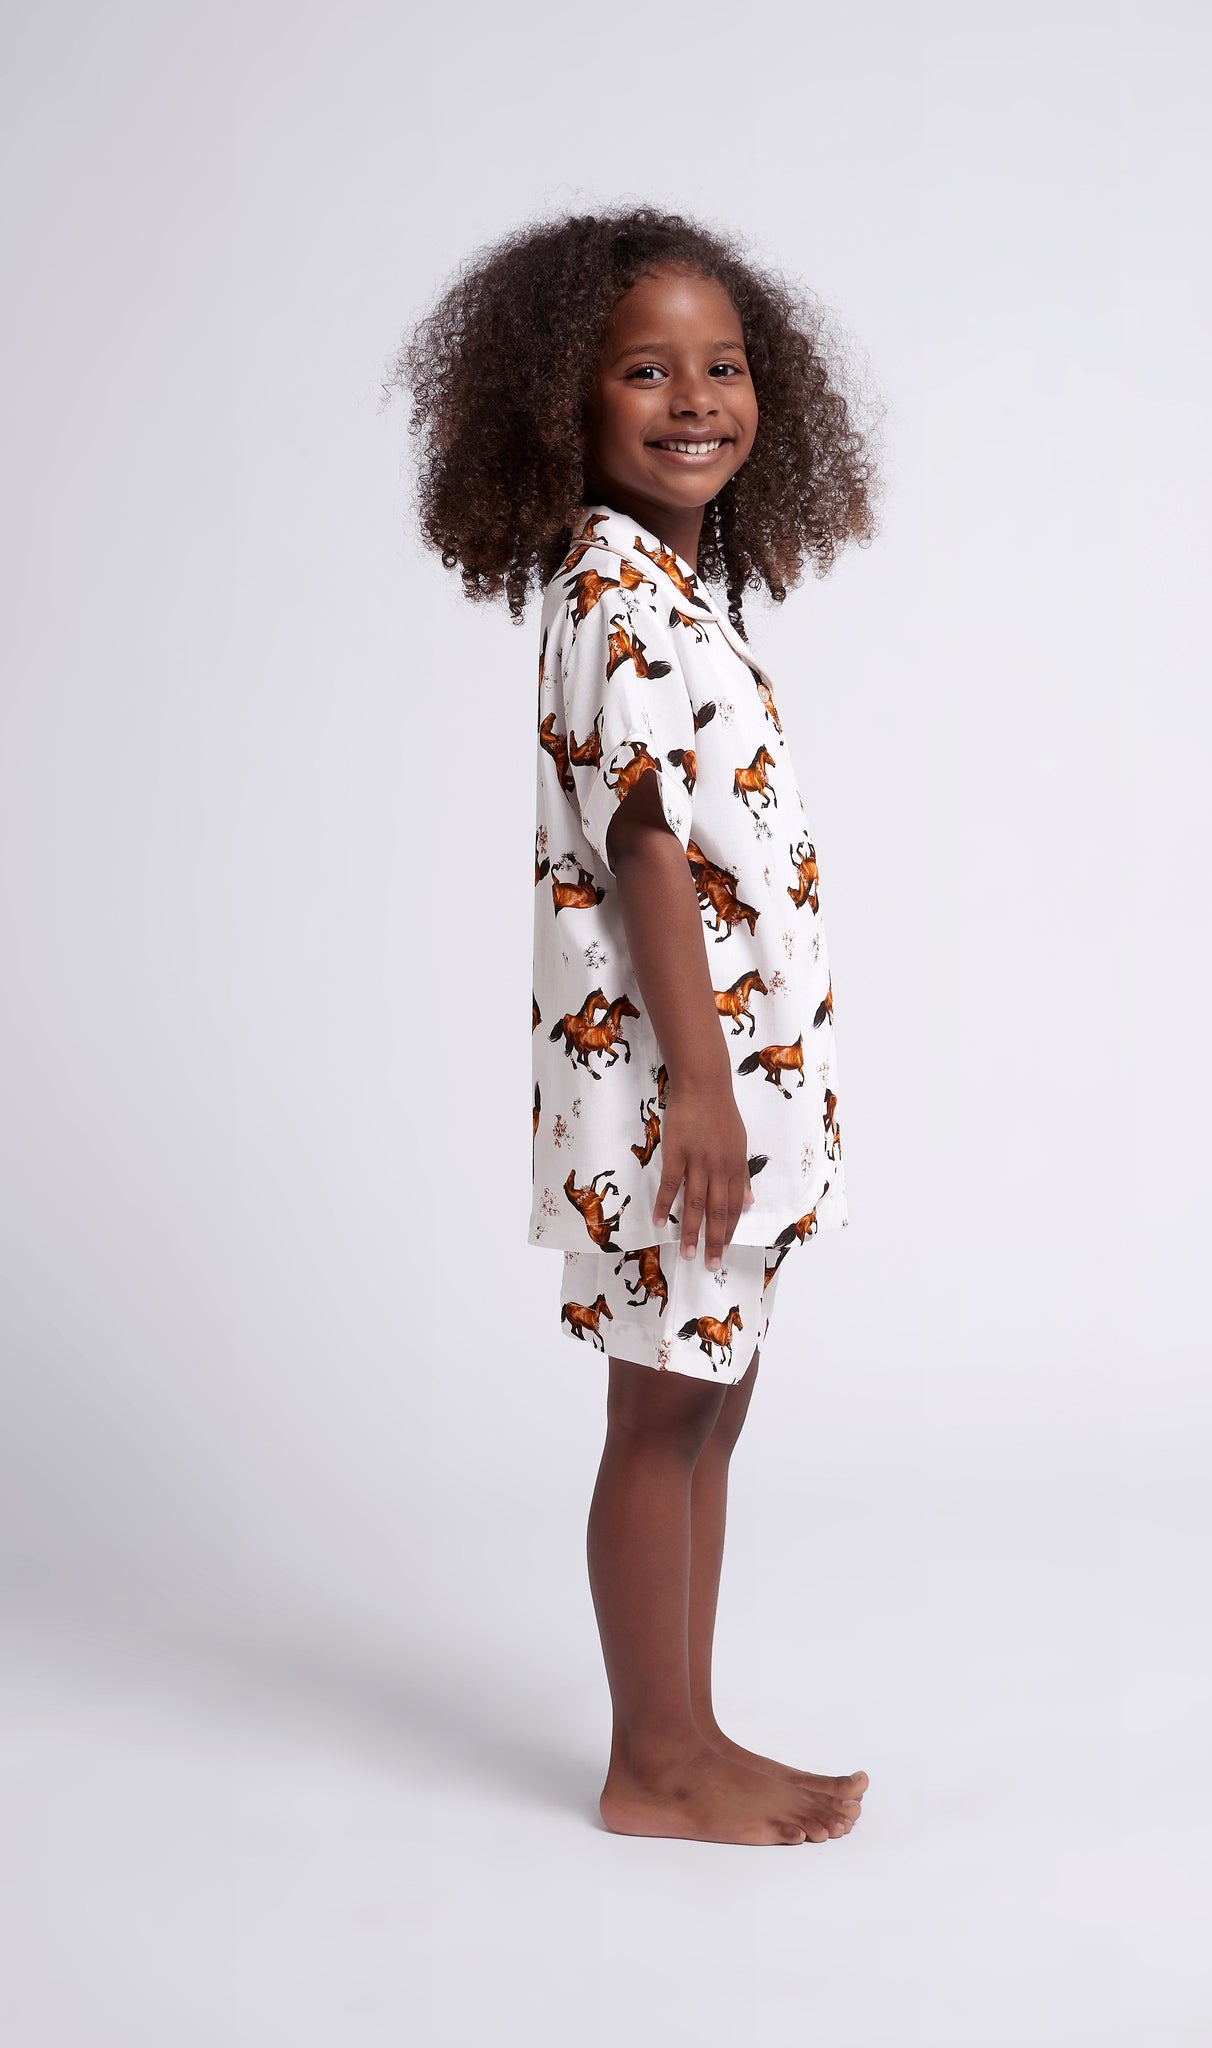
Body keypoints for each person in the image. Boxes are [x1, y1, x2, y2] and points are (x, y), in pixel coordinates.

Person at [388, 205, 883, 1846]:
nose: (695, 400)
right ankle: (653, 1764)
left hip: (722, 1082)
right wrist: (704, 1090)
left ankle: (689, 1731)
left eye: (722, 366)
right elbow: (648, 849)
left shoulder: (669, 591)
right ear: (565, 404)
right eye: (645, 371)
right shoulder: (610, 593)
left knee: (707, 1401)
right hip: (681, 1094)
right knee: (663, 1410)